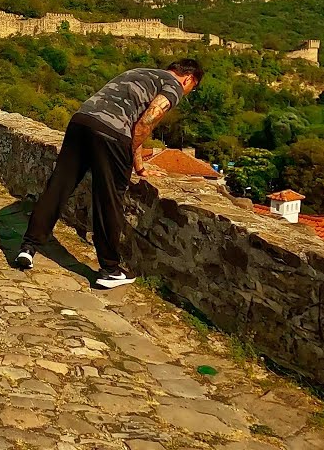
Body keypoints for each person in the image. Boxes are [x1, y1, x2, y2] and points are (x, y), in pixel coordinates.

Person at [15, 60, 204, 287]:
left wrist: (139, 166)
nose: (187, 92)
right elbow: (148, 120)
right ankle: (110, 269)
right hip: (111, 132)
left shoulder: (138, 72)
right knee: (109, 198)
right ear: (189, 79)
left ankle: (28, 246)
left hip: (81, 121)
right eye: (191, 88)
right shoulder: (173, 85)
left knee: (59, 185)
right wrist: (129, 154)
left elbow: (134, 116)